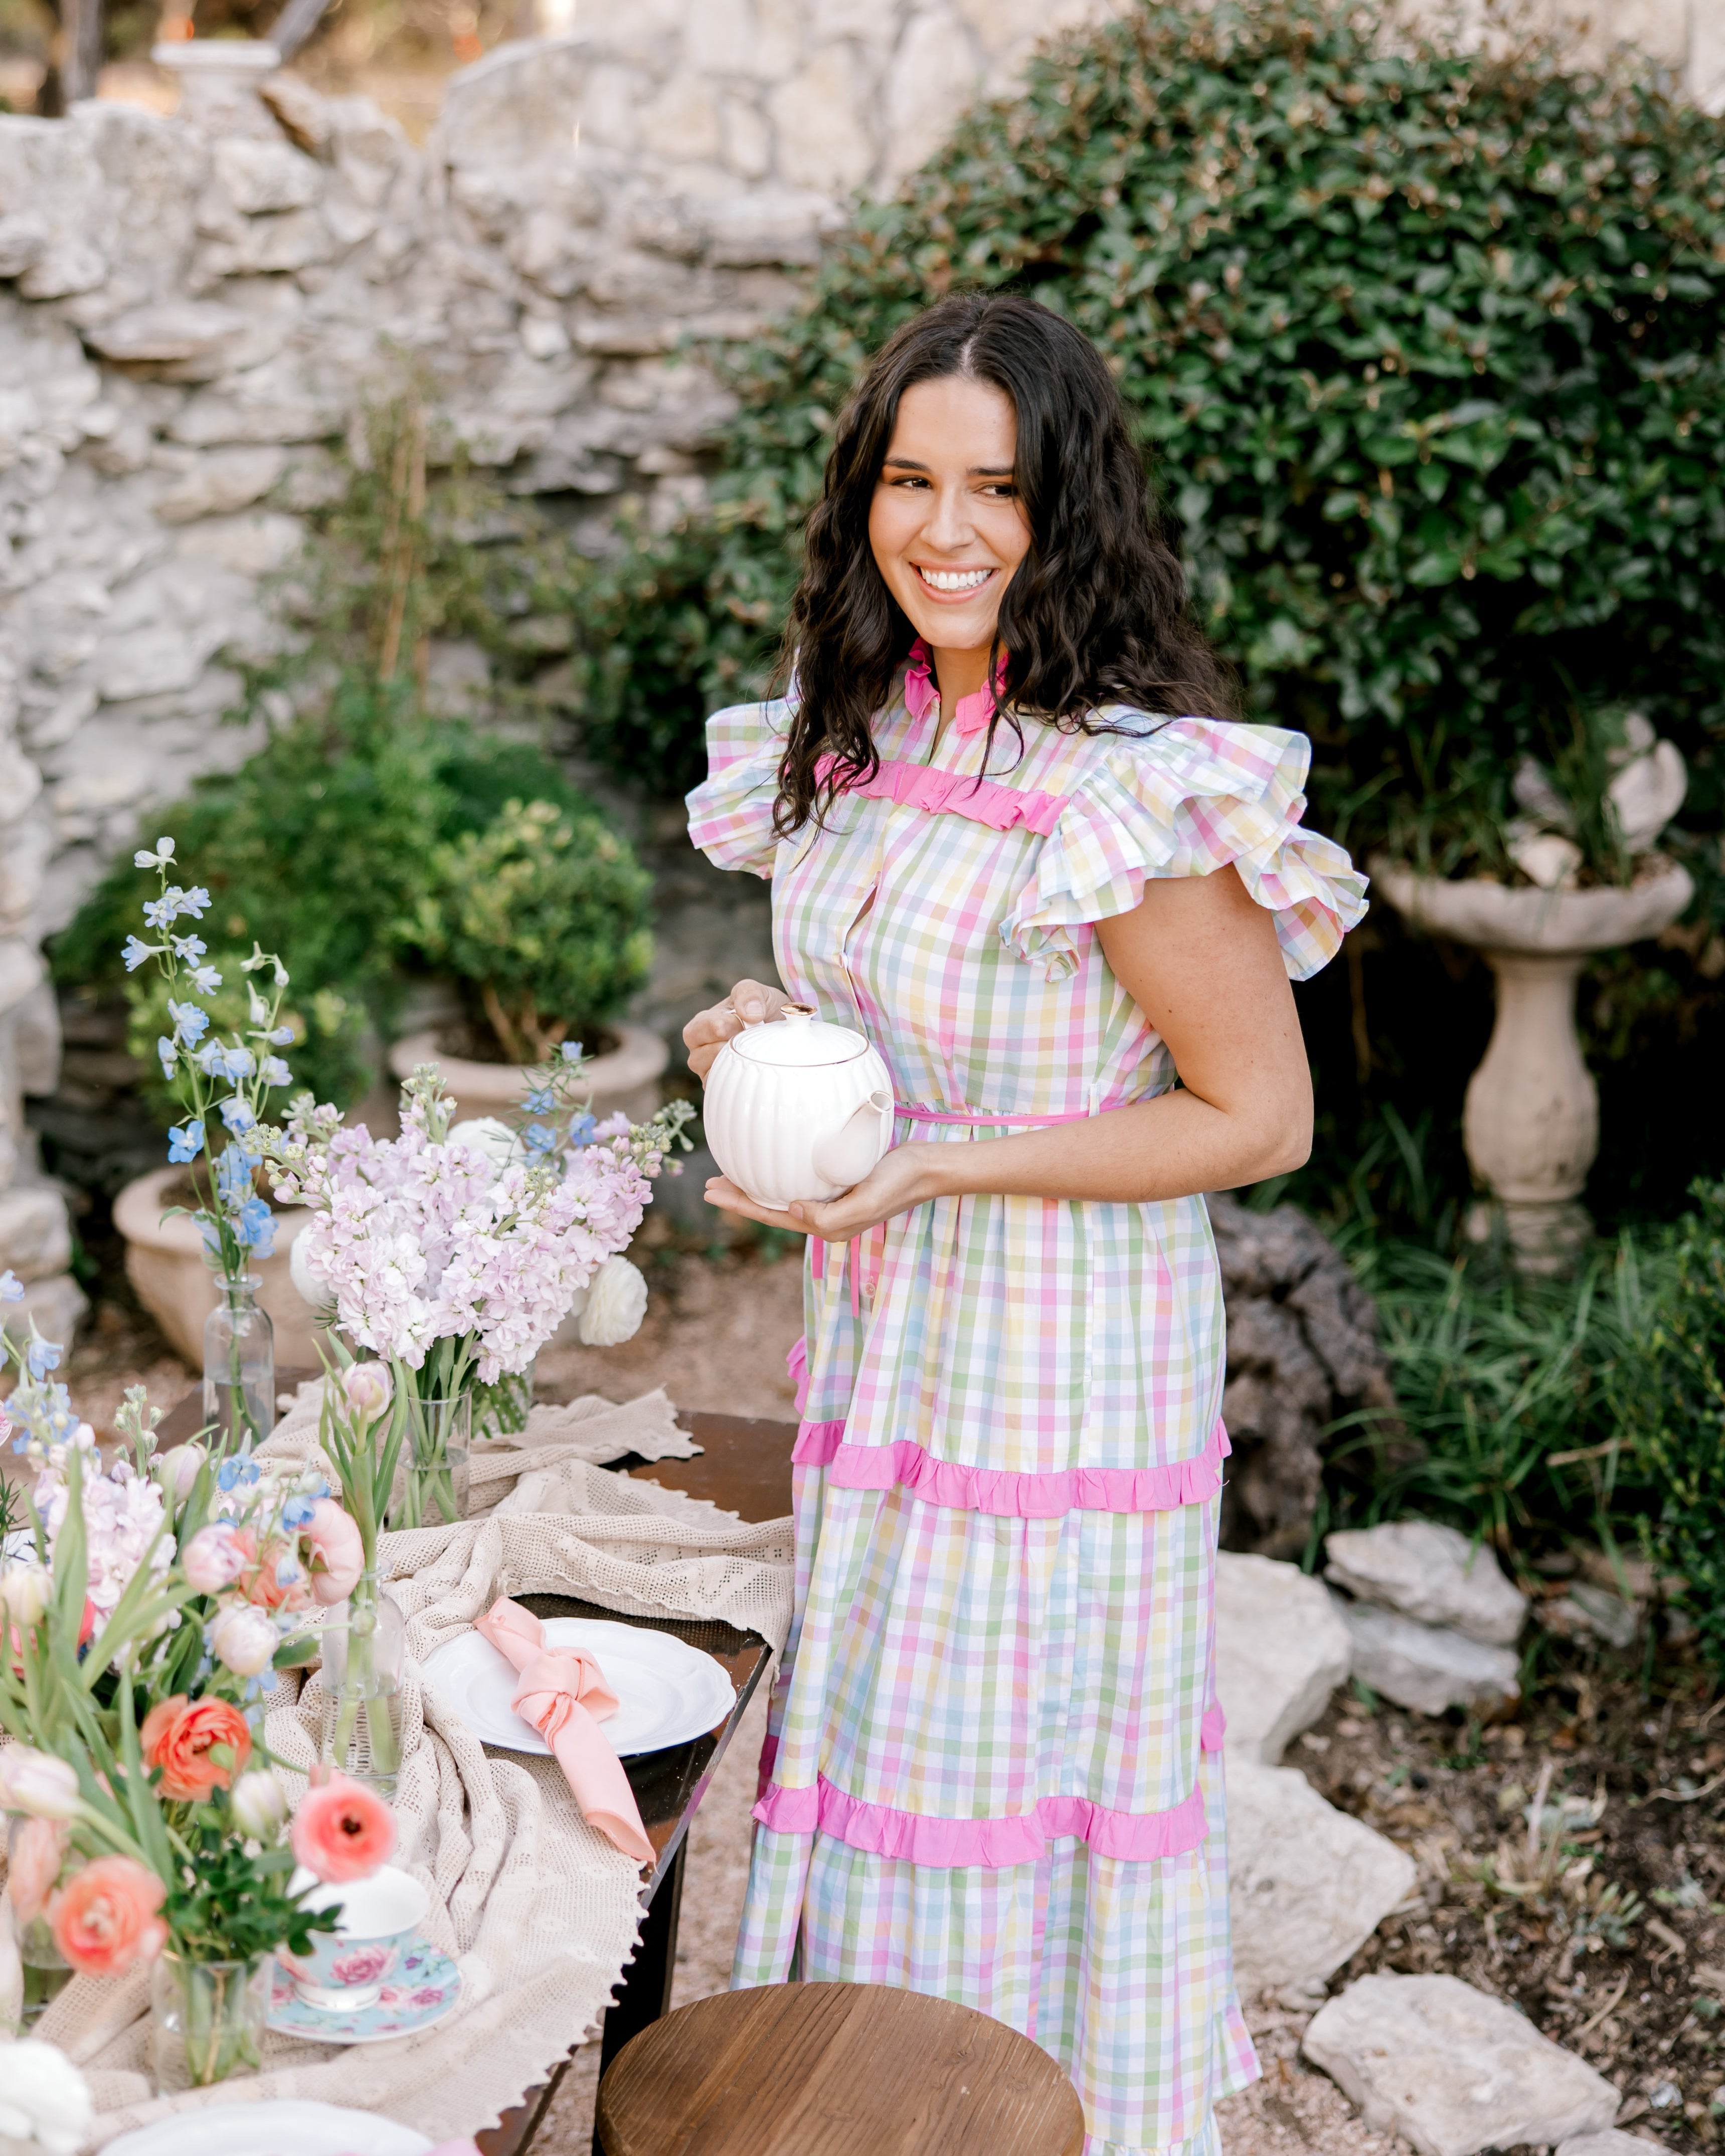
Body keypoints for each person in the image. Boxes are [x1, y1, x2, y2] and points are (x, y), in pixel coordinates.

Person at [681, 291, 1366, 2156]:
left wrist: (944, 1166)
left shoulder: (1127, 786)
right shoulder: (855, 733)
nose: (949, 528)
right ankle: (868, 2113)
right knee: (874, 1762)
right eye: (912, 479)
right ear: (864, 498)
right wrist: (757, 1035)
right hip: (885, 1332)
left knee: (989, 1790)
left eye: (998, 486)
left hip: (1052, 1368)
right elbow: (880, 1025)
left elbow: (1263, 1117)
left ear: (1072, 509)